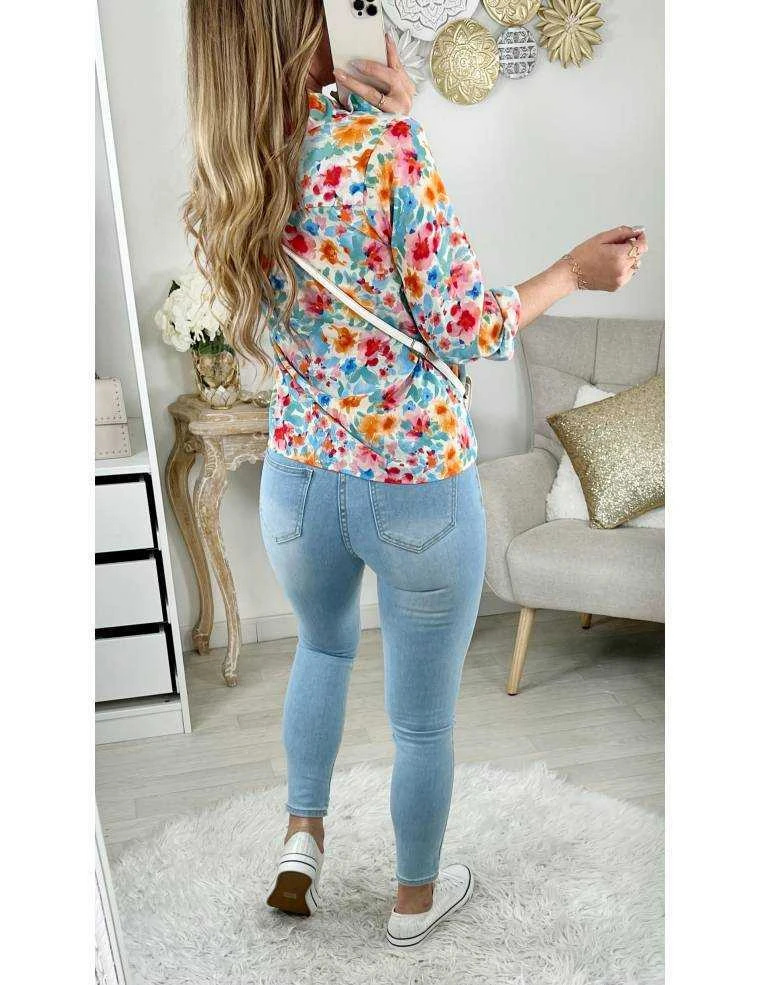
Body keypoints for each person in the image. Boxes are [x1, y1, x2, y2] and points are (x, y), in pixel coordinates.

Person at [183, 0, 648, 949]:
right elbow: (466, 326)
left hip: (298, 479)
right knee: (423, 723)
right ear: (298, 25)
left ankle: (301, 841)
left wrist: (396, 120)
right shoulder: (382, 149)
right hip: (415, 484)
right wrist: (573, 271)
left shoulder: (229, 168)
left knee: (320, 650)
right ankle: (412, 901)